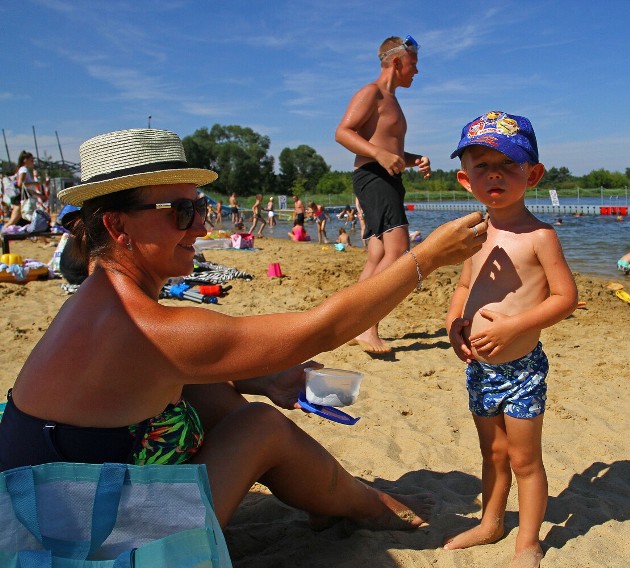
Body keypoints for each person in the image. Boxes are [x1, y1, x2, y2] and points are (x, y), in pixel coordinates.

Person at [0, 128, 488, 534]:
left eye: (202, 207)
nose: (200, 228)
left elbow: (154, 376)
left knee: (214, 396)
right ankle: (362, 506)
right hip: (79, 535)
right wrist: (426, 258)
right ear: (117, 226)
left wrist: (261, 377)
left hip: (48, 502)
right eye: (182, 213)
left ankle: (332, 497)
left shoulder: (103, 300)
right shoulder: (145, 327)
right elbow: (322, 328)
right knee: (262, 427)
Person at [444, 112, 578, 568]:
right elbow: (464, 286)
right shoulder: (473, 234)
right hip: (480, 367)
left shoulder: (540, 236)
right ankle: (490, 522)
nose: (494, 174)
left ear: (533, 175)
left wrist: (512, 328)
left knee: (524, 459)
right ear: (466, 180)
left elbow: (565, 298)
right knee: (492, 452)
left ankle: (528, 544)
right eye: (481, 166)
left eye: (509, 164)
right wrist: (454, 324)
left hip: (521, 370)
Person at [334, 35, 431, 354]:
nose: (417, 72)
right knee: (397, 250)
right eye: (414, 65)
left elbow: (390, 150)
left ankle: (349, 323)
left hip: (383, 177)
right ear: (397, 62)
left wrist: (413, 159)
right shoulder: (371, 93)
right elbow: (342, 133)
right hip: (374, 177)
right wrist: (380, 154)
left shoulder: (393, 100)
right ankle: (367, 327)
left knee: (377, 254)